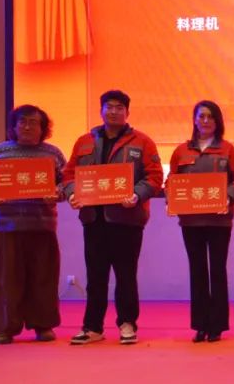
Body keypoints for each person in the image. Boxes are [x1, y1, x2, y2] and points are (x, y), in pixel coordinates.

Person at [63, 90, 163, 345]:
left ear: (127, 112)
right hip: (93, 219)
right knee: (95, 276)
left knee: (126, 276)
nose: (114, 111)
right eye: (109, 107)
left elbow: (154, 177)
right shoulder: (84, 141)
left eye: (119, 107)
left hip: (127, 218)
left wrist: (137, 195)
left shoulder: (142, 142)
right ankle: (92, 327)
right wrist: (72, 193)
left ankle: (127, 324)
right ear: (101, 110)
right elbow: (69, 175)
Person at [0, 105, 67, 344]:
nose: (27, 127)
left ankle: (43, 326)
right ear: (14, 126)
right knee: (8, 280)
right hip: (9, 226)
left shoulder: (53, 154)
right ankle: (5, 328)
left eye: (33, 122)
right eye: (22, 122)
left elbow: (68, 183)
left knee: (43, 278)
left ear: (43, 128)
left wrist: (57, 193)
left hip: (42, 226)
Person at [168, 101, 234, 343]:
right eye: (201, 116)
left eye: (210, 117)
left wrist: (228, 196)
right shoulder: (181, 151)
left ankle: (217, 325)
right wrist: (172, 197)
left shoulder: (228, 150)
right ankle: (200, 325)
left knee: (217, 270)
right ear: (194, 119)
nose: (205, 121)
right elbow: (172, 180)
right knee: (197, 270)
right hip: (190, 222)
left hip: (219, 221)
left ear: (217, 121)